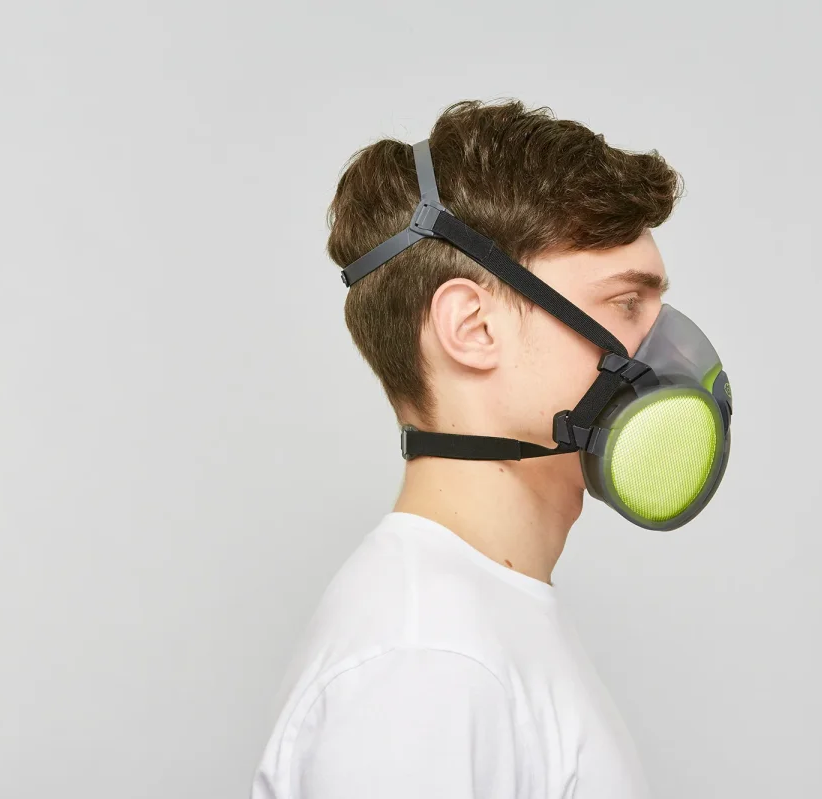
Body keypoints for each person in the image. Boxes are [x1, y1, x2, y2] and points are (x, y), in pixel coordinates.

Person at [251, 98, 730, 798]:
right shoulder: (425, 664)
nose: (666, 350)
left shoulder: (472, 625)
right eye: (627, 304)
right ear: (472, 328)